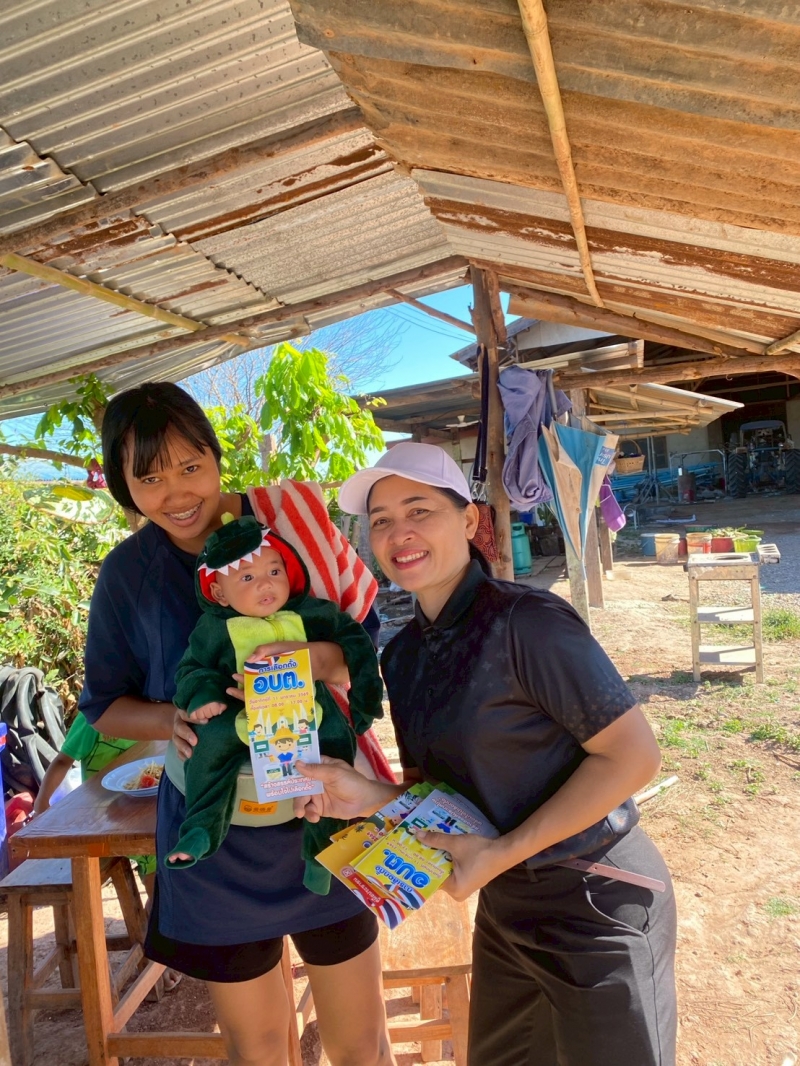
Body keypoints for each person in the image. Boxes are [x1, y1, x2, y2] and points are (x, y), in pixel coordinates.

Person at [294, 441, 678, 1066]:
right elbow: (448, 800)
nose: (398, 533)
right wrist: (370, 796)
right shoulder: (404, 656)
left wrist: (501, 853)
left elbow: (633, 756)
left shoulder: (527, 622)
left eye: (419, 510)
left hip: (595, 899)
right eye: (381, 520)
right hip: (507, 907)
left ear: (469, 519)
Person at [79, 381, 396, 1066]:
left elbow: (364, 641)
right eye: (150, 478)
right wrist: (172, 718)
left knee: (360, 1044)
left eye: (190, 466)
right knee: (258, 1047)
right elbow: (102, 703)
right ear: (124, 487)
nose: (176, 493)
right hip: (216, 832)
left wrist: (313, 659)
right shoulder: (128, 575)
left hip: (325, 806)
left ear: (216, 457)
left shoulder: (290, 528)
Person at [167, 512, 384, 888]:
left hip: (309, 714)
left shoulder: (311, 612)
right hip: (236, 713)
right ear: (219, 593)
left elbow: (356, 641)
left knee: (335, 752)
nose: (266, 584)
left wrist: (365, 699)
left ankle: (322, 852)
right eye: (247, 578)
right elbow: (193, 669)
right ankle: (200, 829)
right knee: (206, 747)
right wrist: (204, 696)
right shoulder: (213, 629)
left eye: (274, 571)